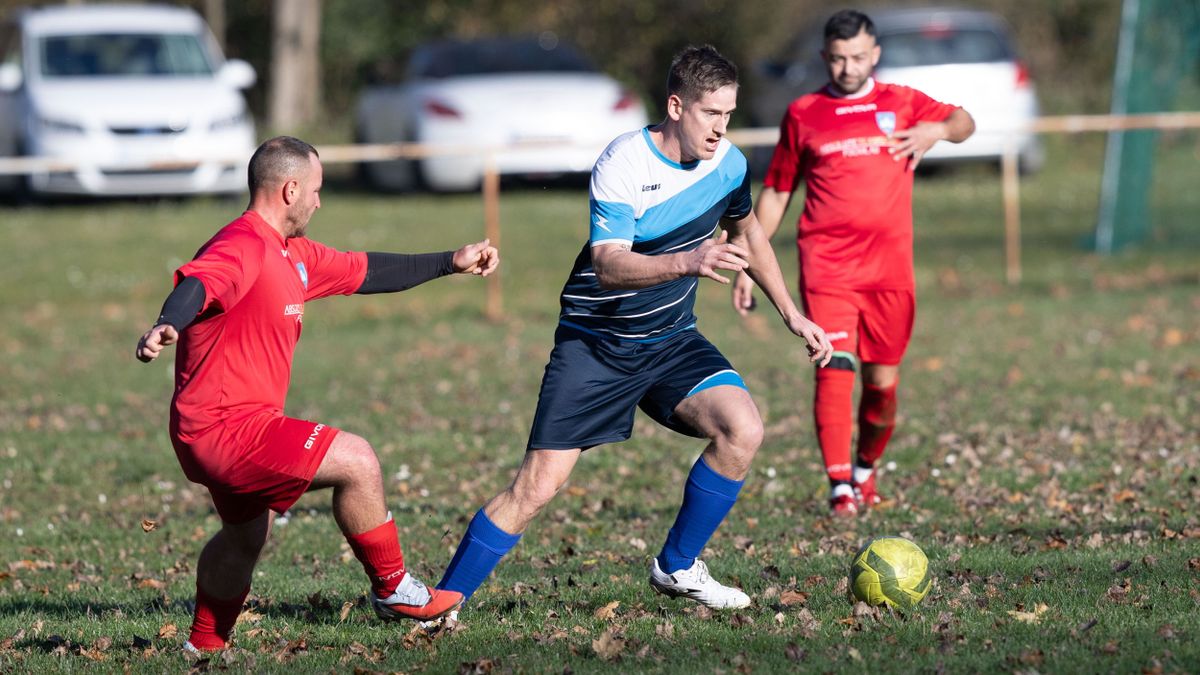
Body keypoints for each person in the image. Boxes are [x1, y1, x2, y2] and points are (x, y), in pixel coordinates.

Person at [391, 45, 833, 622]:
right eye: (710, 113)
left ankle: (677, 566)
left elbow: (747, 233)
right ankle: (444, 601)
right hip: (596, 346)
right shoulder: (624, 163)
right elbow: (609, 265)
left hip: (671, 339)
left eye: (728, 114)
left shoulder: (728, 164)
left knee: (742, 428)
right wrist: (688, 261)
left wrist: (791, 313)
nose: (720, 128)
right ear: (676, 106)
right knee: (538, 487)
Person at [134, 136, 499, 650]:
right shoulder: (241, 245)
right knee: (357, 460)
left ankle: (204, 646)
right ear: (290, 190)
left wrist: (450, 261)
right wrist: (167, 322)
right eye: (316, 190)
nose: (319, 202)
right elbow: (198, 283)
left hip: (218, 427)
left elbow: (367, 270)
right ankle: (394, 589)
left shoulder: (292, 253)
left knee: (245, 536)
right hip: (225, 428)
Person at [732, 9, 976, 516]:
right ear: (825, 56)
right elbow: (777, 192)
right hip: (827, 265)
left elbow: (965, 122)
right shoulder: (804, 113)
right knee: (833, 367)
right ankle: (840, 485)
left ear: (875, 54)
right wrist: (746, 261)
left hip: (890, 270)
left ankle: (865, 468)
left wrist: (934, 131)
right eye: (839, 58)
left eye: (859, 57)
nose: (848, 67)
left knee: (881, 385)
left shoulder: (902, 102)